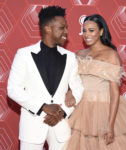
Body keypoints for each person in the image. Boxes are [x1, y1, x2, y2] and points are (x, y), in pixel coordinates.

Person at [64, 14, 126, 150]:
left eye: (91, 30)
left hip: (103, 111)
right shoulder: (78, 54)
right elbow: (73, 81)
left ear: (101, 31)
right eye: (84, 30)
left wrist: (110, 126)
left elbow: (114, 93)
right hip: (79, 111)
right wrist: (69, 92)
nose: (86, 34)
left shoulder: (111, 55)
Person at [7, 6, 84, 150]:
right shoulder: (23, 54)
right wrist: (43, 107)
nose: (66, 32)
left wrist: (62, 112)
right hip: (32, 126)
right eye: (62, 28)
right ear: (47, 29)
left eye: (66, 27)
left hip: (61, 126)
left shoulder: (70, 57)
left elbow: (78, 88)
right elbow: (13, 90)